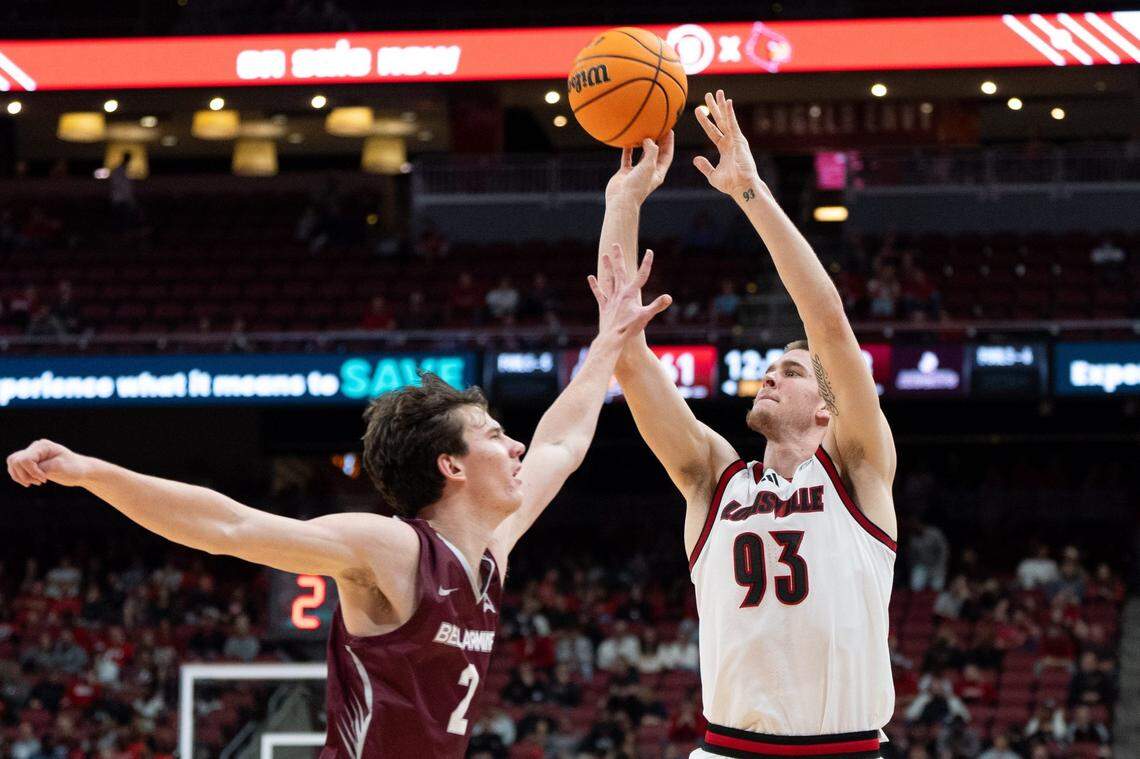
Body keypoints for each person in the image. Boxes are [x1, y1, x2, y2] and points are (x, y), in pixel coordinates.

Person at [4, 250, 671, 758]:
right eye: (496, 435)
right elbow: (231, 525)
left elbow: (563, 440)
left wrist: (610, 341)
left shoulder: (489, 551)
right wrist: (90, 471)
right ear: (452, 465)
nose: (519, 444)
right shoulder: (395, 549)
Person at [597, 89, 897, 758]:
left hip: (847, 748)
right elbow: (629, 356)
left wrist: (749, 191)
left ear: (826, 406)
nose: (771, 373)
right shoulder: (714, 478)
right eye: (772, 367)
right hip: (728, 749)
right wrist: (621, 204)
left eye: (790, 372)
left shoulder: (859, 468)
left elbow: (828, 326)